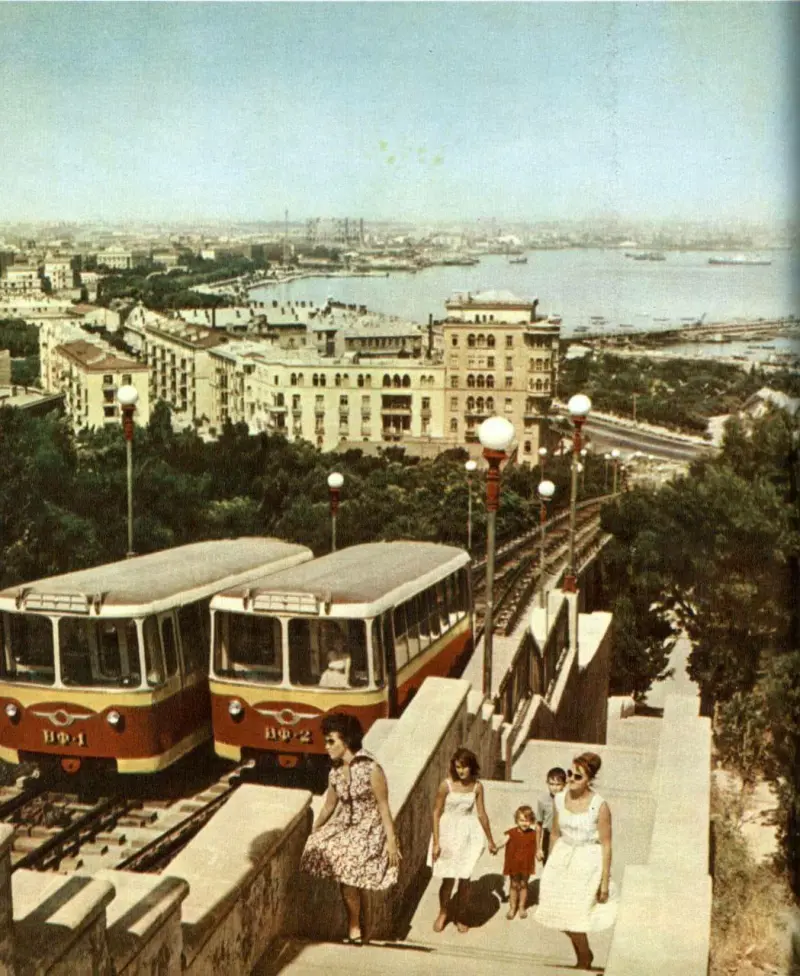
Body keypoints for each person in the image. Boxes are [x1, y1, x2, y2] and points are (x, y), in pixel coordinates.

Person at [299, 713, 401, 945]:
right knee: (327, 855)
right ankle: (355, 922)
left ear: (346, 740)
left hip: (370, 828)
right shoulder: (334, 772)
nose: (326, 747)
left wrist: (391, 842)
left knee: (351, 867)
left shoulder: (371, 768)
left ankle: (356, 924)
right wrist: (314, 830)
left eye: (331, 741)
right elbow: (328, 806)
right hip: (346, 826)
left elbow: (384, 807)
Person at [533, 752, 617, 970]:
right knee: (558, 913)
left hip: (588, 863)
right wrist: (550, 866)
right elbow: (554, 834)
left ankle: (583, 958)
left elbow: (607, 845)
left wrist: (604, 882)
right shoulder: (560, 799)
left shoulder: (599, 806)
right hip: (562, 858)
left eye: (577, 776)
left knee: (576, 914)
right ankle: (584, 953)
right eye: (569, 774)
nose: (570, 779)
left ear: (589, 779)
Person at [427, 747, 498, 934]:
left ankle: (461, 915)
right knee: (448, 879)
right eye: (458, 767)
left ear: (471, 767)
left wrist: (490, 840)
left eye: (465, 767)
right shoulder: (446, 785)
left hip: (468, 835)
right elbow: (436, 813)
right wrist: (436, 842)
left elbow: (482, 814)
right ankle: (443, 912)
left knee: (465, 879)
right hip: (448, 833)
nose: (461, 771)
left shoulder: (477, 787)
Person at [496, 804, 538, 920]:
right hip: (513, 863)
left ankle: (521, 907)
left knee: (524, 884)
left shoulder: (533, 834)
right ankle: (512, 907)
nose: (524, 823)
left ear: (532, 821)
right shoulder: (511, 833)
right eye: (521, 820)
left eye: (527, 820)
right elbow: (503, 841)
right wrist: (495, 846)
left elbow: (539, 846)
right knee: (514, 885)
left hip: (526, 864)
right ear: (516, 820)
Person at [536, 766, 567, 865]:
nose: (555, 787)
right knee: (548, 866)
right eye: (552, 784)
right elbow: (539, 824)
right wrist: (538, 848)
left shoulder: (568, 800)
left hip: (564, 837)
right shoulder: (542, 800)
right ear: (547, 783)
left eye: (558, 784)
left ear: (564, 784)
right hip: (548, 837)